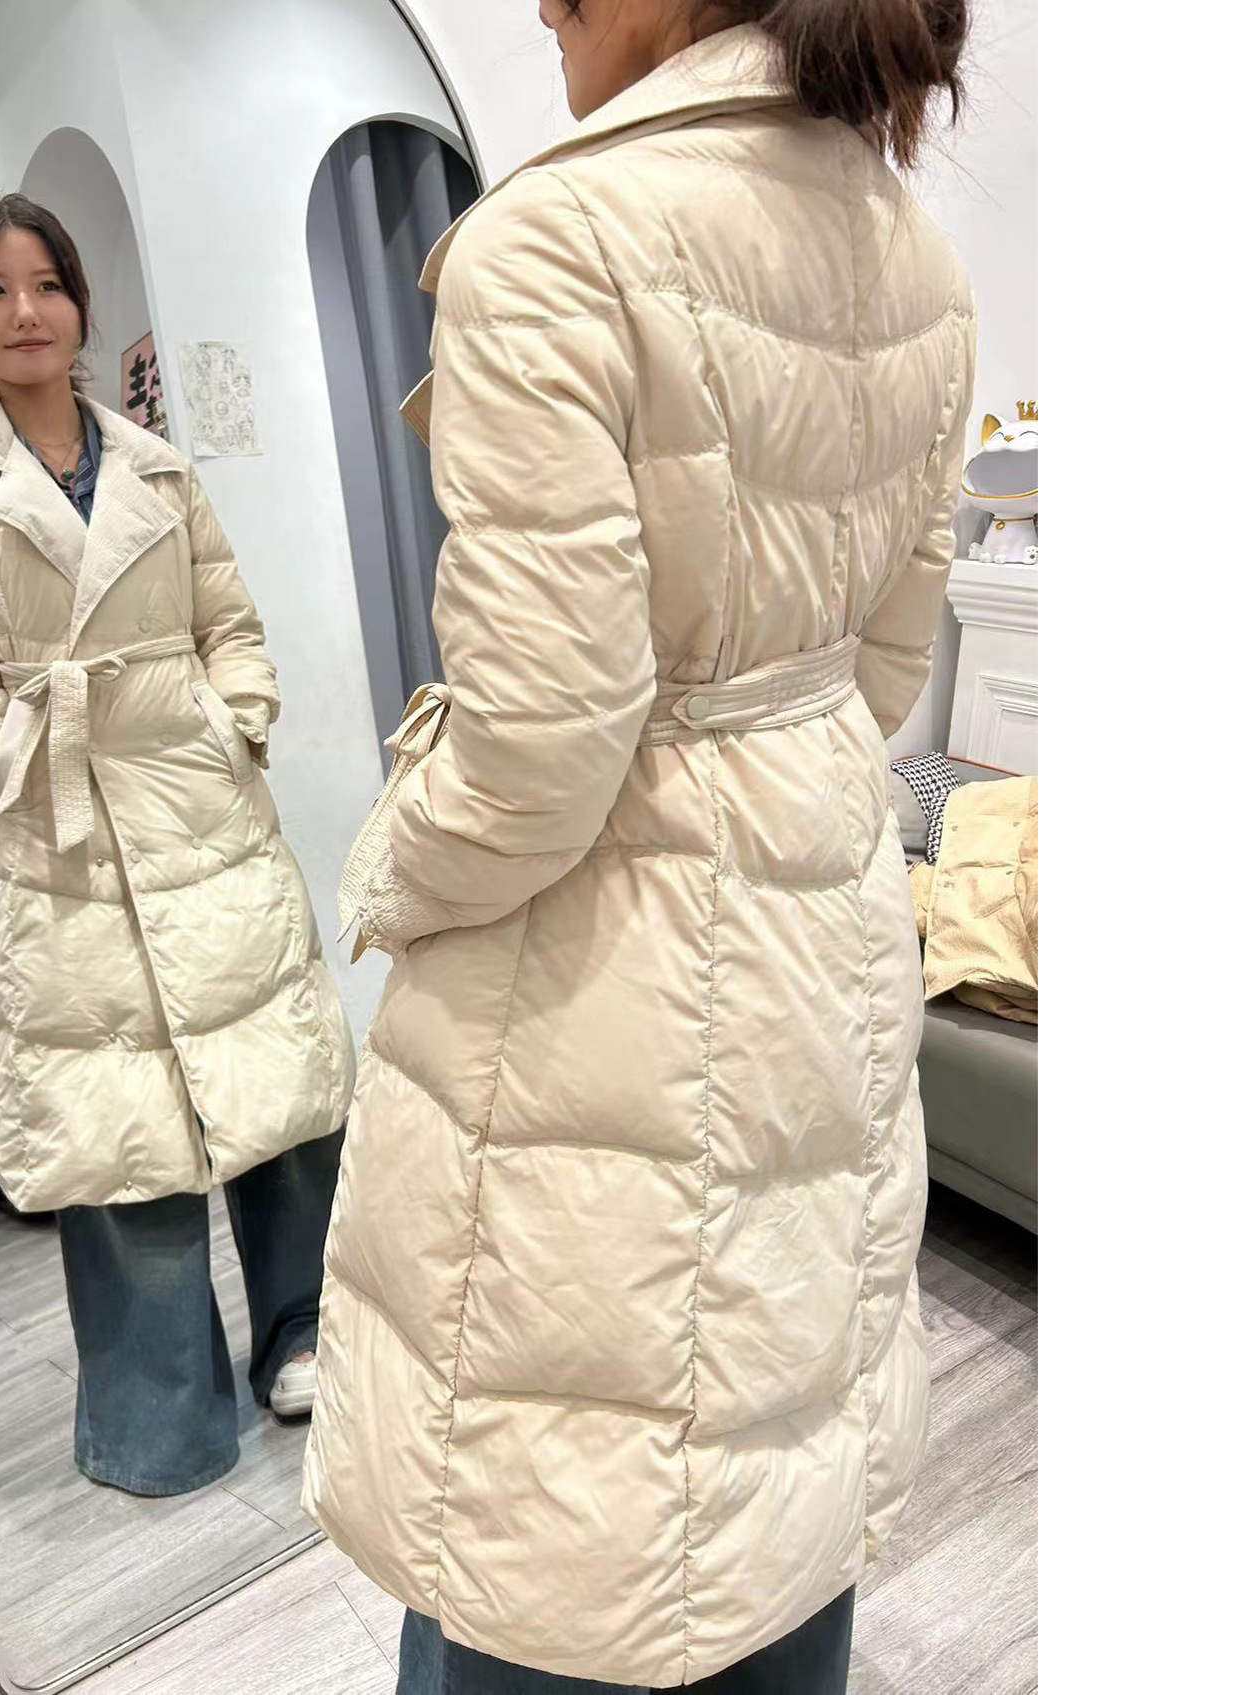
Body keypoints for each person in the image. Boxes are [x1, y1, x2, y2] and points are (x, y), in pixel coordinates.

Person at [304, 3, 975, 1690]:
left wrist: (392, 868)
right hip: (825, 911)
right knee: (773, 1410)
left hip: (605, 953)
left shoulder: (554, 241)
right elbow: (888, 671)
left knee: (561, 1476)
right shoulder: (916, 256)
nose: (543, 6)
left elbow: (538, 752)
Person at [0, 195, 355, 1496]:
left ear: (81, 303)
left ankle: (306, 1336)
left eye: (47, 284)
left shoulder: (156, 464)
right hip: (59, 821)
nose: (25, 312)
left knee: (272, 1080)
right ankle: (160, 1409)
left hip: (200, 804)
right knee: (114, 1120)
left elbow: (231, 622)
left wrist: (236, 722)